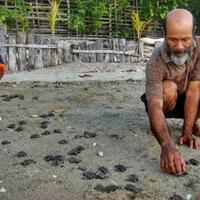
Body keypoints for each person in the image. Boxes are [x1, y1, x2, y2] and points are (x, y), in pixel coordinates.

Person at [141, 8, 200, 175]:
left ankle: (191, 124)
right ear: (164, 34)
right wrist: (167, 146)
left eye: (186, 40)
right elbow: (153, 104)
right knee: (168, 87)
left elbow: (194, 90)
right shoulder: (155, 61)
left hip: (187, 98)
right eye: (173, 40)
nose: (180, 47)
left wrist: (186, 131)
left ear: (193, 33)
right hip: (166, 103)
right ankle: (158, 125)